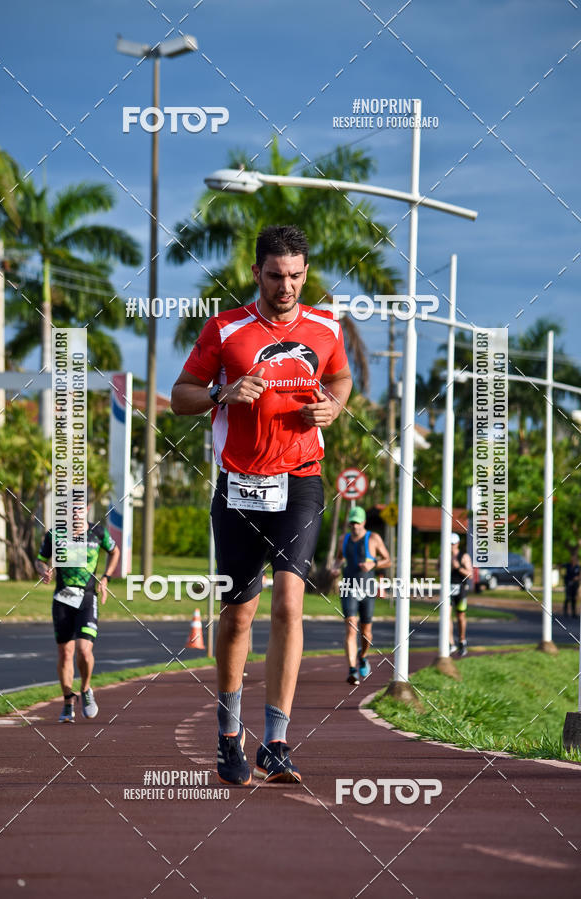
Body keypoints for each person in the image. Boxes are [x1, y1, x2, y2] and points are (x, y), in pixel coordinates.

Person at [171, 225, 352, 785]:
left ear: (305, 273)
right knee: (239, 613)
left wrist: (332, 410)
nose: (286, 286)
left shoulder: (325, 328)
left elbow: (341, 378)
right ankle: (229, 733)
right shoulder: (225, 329)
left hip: (301, 478)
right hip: (240, 483)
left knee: (290, 606)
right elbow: (181, 397)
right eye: (275, 276)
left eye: (296, 276)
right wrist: (223, 394)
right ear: (256, 273)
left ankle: (275, 741)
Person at [36, 504, 120, 723]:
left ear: (88, 509)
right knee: (65, 653)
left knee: (83, 650)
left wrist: (106, 577)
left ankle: (85, 689)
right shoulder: (55, 534)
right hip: (62, 598)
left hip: (87, 597)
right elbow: (40, 559)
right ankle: (67, 701)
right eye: (71, 508)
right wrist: (43, 571)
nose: (75, 513)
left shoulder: (98, 532)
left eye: (79, 508)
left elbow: (114, 551)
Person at [332, 506, 391, 685]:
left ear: (364, 522)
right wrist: (335, 567)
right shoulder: (344, 539)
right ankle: (352, 670)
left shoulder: (373, 538)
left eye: (358, 523)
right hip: (349, 587)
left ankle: (363, 656)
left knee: (366, 633)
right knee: (351, 627)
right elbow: (339, 557)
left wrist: (373, 564)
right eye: (352, 523)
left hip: (367, 589)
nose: (355, 526)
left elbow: (388, 560)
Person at [449, 532, 473, 656]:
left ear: (457, 543)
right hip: (448, 589)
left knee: (460, 616)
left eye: (453, 543)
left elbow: (470, 574)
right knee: (446, 615)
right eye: (449, 543)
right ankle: (450, 643)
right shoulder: (443, 555)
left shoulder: (464, 557)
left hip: (461, 589)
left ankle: (462, 641)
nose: (451, 546)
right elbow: (438, 567)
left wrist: (458, 568)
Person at [563, 548, 580, 617]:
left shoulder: (577, 567)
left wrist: (577, 578)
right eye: (572, 559)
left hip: (575, 584)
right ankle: (565, 612)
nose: (573, 560)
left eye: (574, 559)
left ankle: (574, 613)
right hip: (568, 583)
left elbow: (579, 575)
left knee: (573, 599)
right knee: (567, 598)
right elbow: (560, 566)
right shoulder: (568, 565)